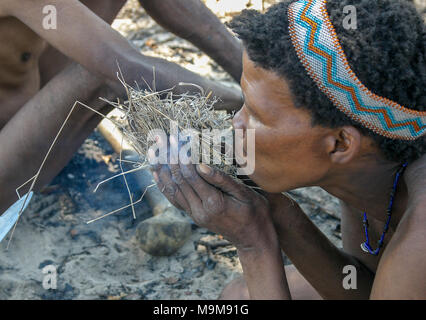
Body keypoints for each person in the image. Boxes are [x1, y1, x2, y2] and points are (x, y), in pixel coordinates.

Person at [151, 0, 426, 299]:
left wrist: (254, 245)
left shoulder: (419, 242)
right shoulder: (370, 167)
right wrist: (273, 209)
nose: (236, 123)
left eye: (257, 116)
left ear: (340, 144)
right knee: (239, 296)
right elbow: (358, 287)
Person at [0, 0, 243, 220]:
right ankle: (254, 100)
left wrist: (251, 69)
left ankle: (251, 69)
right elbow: (128, 69)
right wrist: (245, 102)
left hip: (16, 127)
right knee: (103, 76)